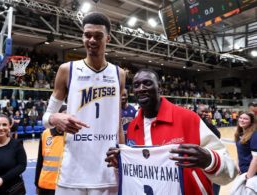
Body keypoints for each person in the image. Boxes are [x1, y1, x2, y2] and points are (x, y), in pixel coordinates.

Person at [106, 69, 237, 195]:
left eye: (147, 83)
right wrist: (122, 162)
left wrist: (209, 159)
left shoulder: (188, 118)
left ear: (160, 89)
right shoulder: (133, 127)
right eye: (136, 85)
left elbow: (230, 170)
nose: (141, 88)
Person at [42, 12, 125, 195]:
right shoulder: (67, 70)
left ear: (108, 39)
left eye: (98, 36)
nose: (92, 40)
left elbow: (117, 120)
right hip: (72, 172)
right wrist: (56, 118)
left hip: (107, 171)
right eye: (87, 35)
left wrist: (123, 153)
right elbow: (46, 118)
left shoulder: (119, 74)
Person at [0, 113, 27, 195]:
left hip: (13, 190)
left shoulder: (17, 144)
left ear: (9, 127)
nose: (1, 128)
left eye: (4, 125)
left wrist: (3, 179)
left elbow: (22, 165)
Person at [35, 105, 66, 195]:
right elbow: (40, 160)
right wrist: (37, 183)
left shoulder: (73, 134)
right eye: (63, 115)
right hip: (45, 185)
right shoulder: (45, 134)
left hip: (65, 185)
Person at [197, 104, 221, 195]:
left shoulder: (208, 122)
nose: (204, 113)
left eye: (206, 112)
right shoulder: (193, 120)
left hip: (210, 155)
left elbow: (218, 136)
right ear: (197, 111)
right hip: (197, 156)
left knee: (215, 180)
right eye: (202, 111)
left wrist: (210, 123)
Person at [234, 112, 257, 177]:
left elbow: (256, 159)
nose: (242, 120)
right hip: (243, 171)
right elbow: (240, 152)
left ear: (251, 122)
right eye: (240, 118)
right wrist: (238, 165)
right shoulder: (239, 134)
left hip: (252, 173)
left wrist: (248, 176)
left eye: (245, 119)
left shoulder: (254, 135)